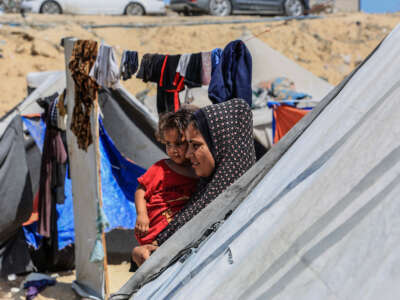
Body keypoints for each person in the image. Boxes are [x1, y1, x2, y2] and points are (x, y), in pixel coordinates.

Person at [132, 98, 256, 267]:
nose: (187, 154)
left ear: (219, 144)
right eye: (187, 145)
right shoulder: (205, 193)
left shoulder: (238, 207)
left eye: (195, 145)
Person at [134, 108, 198, 247]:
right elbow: (141, 191)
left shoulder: (198, 171)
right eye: (168, 144)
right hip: (151, 231)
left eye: (179, 143)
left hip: (175, 235)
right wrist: (142, 215)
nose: (172, 150)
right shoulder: (161, 168)